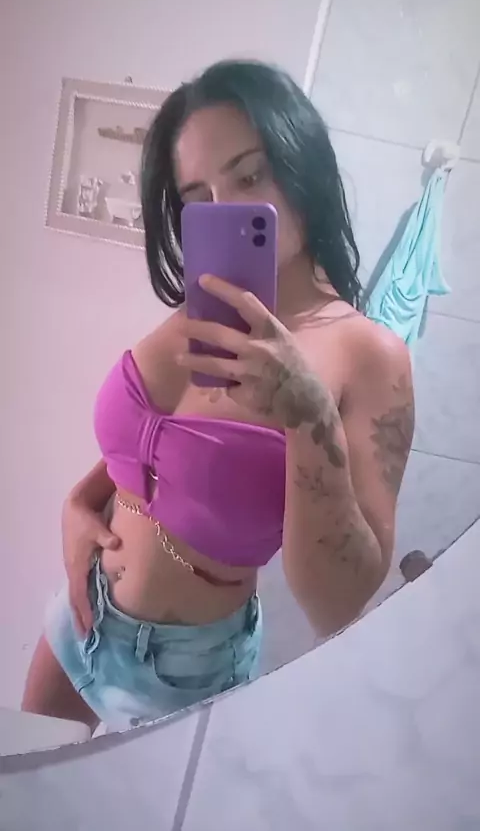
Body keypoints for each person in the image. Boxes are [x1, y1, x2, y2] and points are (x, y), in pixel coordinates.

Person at [22, 59, 414, 732]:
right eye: (198, 196)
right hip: (79, 620)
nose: (224, 207)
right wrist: (78, 503)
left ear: (302, 168)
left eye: (249, 175)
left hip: (183, 672)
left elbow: (338, 604)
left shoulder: (368, 356)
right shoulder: (206, 312)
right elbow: (157, 446)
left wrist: (309, 416)